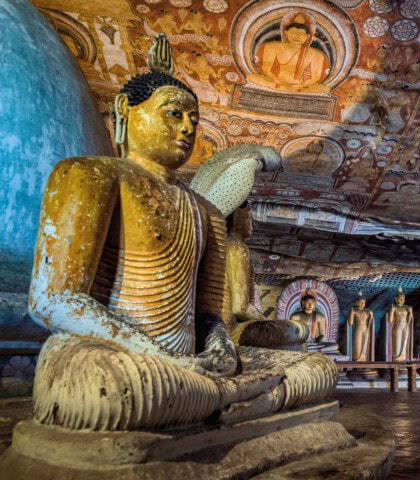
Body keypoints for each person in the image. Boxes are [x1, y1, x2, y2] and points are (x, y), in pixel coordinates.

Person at [27, 34, 336, 431]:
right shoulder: (88, 175)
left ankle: (223, 397)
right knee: (113, 390)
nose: (188, 127)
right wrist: (162, 357)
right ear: (126, 109)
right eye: (174, 113)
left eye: (194, 119)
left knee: (318, 369)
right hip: (115, 356)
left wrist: (221, 347)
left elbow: (210, 315)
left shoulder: (205, 212)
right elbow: (52, 299)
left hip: (191, 367)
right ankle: (236, 399)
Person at [247, 11, 330, 93]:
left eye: (301, 34)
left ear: (308, 36)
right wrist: (279, 83)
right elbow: (266, 69)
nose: (297, 36)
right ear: (286, 32)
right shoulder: (271, 47)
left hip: (300, 86)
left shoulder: (317, 55)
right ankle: (286, 89)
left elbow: (315, 77)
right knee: (252, 77)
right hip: (275, 82)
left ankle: (292, 90)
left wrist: (302, 85)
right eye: (293, 32)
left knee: (325, 88)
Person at [386, 287, 414, 361]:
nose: (401, 300)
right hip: (397, 327)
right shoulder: (394, 307)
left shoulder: (407, 308)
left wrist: (410, 312)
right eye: (400, 298)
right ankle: (396, 360)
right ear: (396, 299)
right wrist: (391, 311)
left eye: (403, 298)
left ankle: (403, 360)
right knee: (397, 344)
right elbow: (390, 320)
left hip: (405, 327)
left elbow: (411, 320)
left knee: (404, 344)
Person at [347, 291, 375, 361]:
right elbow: (350, 323)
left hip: (365, 329)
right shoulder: (355, 311)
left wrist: (371, 315)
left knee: (364, 346)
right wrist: (351, 314)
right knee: (357, 346)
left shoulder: (367, 311)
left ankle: (363, 359)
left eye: (364, 302)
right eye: (361, 302)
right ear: (356, 302)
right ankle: (357, 359)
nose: (362, 304)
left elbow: (371, 321)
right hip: (358, 329)